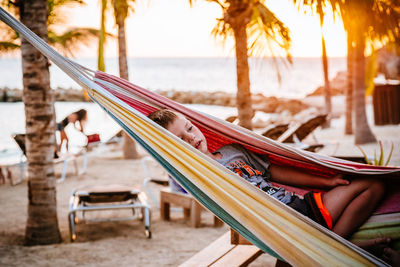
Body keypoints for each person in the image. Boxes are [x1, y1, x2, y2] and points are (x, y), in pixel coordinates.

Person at [148, 109, 398, 262]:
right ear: (175, 149)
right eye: (180, 139)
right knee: (288, 260)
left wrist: (327, 181)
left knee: (373, 186)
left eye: (189, 128)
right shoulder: (200, 177)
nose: (191, 137)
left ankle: (337, 245)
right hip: (278, 228)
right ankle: (338, 249)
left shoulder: (232, 152)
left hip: (301, 209)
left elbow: (276, 172)